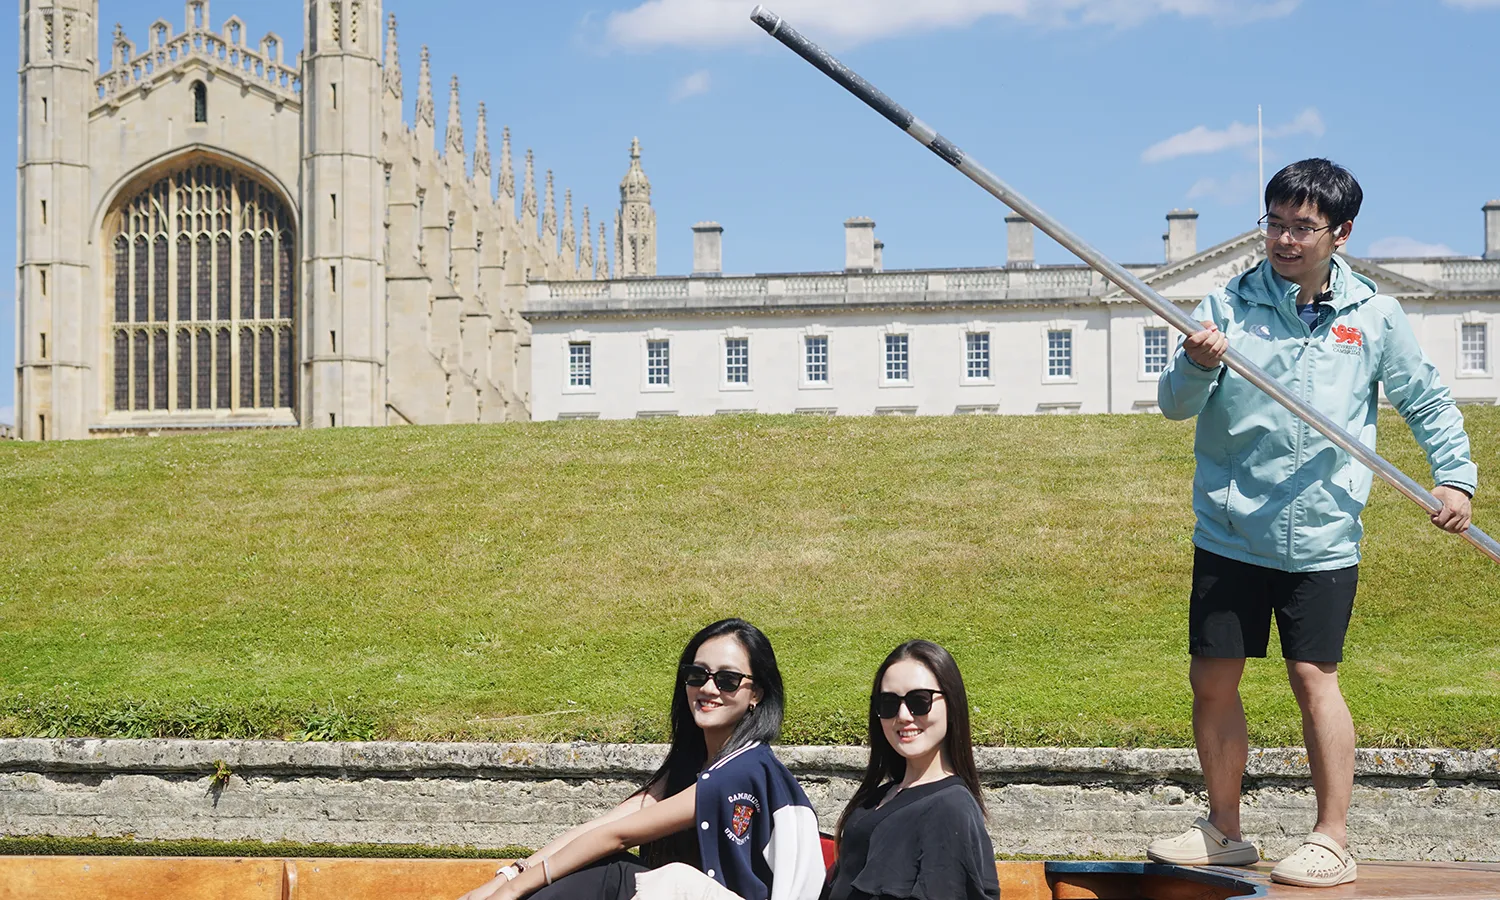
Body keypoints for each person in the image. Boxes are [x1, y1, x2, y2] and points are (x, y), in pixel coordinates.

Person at [1149, 158, 1478, 888]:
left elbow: (1425, 402)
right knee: (1213, 678)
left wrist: (1454, 478)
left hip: (1322, 532)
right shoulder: (1226, 305)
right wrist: (1199, 365)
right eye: (1275, 224)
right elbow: (1175, 404)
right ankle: (1224, 830)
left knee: (1313, 677)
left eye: (1303, 227)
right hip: (1230, 530)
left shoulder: (1373, 315)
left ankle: (1332, 837)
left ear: (1341, 233)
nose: (1286, 240)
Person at [458, 619, 825, 900]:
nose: (708, 689)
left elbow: (616, 837)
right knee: (597, 864)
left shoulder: (746, 770)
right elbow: (603, 825)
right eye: (697, 675)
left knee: (614, 874)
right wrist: (506, 878)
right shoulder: (696, 764)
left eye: (728, 680)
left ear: (756, 693)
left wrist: (511, 893)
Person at [823, 640, 999, 900]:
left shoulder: (950, 809)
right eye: (888, 703)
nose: (903, 715)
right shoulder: (881, 796)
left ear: (951, 705)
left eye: (920, 700)